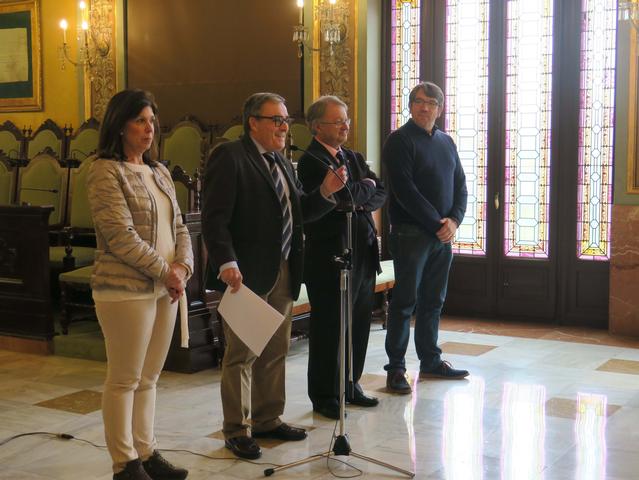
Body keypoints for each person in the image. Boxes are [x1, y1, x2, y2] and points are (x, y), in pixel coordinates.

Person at [201, 92, 347, 460]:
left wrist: (325, 192)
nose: (284, 127)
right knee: (242, 353)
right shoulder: (231, 156)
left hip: (283, 267)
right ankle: (237, 429)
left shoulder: (281, 161)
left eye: (286, 120)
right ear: (253, 122)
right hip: (245, 273)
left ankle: (268, 418)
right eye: (276, 120)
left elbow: (299, 212)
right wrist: (226, 261)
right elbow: (214, 218)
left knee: (275, 349)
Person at [87, 89, 193, 480]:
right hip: (124, 290)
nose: (149, 129)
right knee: (124, 379)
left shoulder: (158, 171)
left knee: (149, 379)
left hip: (165, 288)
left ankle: (146, 453)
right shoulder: (104, 171)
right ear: (120, 125)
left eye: (152, 121)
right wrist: (167, 271)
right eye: (140, 121)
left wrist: (183, 267)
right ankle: (125, 463)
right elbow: (120, 236)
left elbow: (179, 225)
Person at [296, 96, 386, 419]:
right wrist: (360, 192)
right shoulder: (311, 161)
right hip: (330, 257)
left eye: (346, 120)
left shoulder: (352, 156)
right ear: (317, 126)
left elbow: (380, 191)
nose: (345, 126)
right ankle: (325, 395)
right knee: (330, 328)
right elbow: (337, 201)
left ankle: (351, 384)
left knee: (359, 323)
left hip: (362, 253)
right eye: (338, 121)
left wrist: (359, 193)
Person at [382, 81, 469, 394]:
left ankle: (431, 361)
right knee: (404, 302)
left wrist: (454, 221)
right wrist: (437, 224)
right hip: (411, 234)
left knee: (433, 301)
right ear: (410, 106)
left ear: (439, 109)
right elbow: (405, 191)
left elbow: (460, 185)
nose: (424, 107)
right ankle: (395, 368)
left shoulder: (446, 141)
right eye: (419, 101)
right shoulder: (399, 141)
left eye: (431, 103)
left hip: (441, 235)